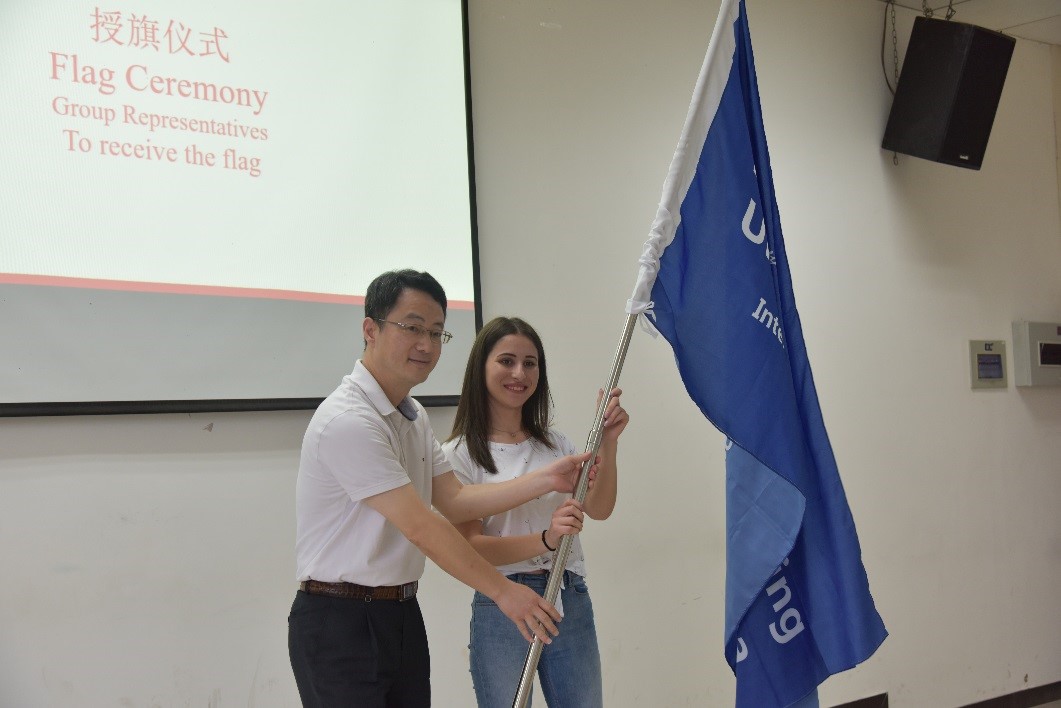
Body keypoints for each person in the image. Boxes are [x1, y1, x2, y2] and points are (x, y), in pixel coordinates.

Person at [288, 270, 596, 708]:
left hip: (400, 612)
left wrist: (547, 477)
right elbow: (422, 526)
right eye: (412, 328)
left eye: (436, 332)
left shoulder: (412, 417)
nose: (426, 345)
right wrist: (504, 591)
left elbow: (455, 500)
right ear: (370, 329)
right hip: (341, 619)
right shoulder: (349, 420)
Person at [443, 316, 629, 708]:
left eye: (530, 363)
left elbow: (599, 508)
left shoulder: (556, 444)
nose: (519, 373)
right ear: (480, 368)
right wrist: (546, 539)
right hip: (503, 600)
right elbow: (473, 547)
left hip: (567, 593)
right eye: (506, 361)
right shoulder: (458, 454)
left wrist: (608, 442)